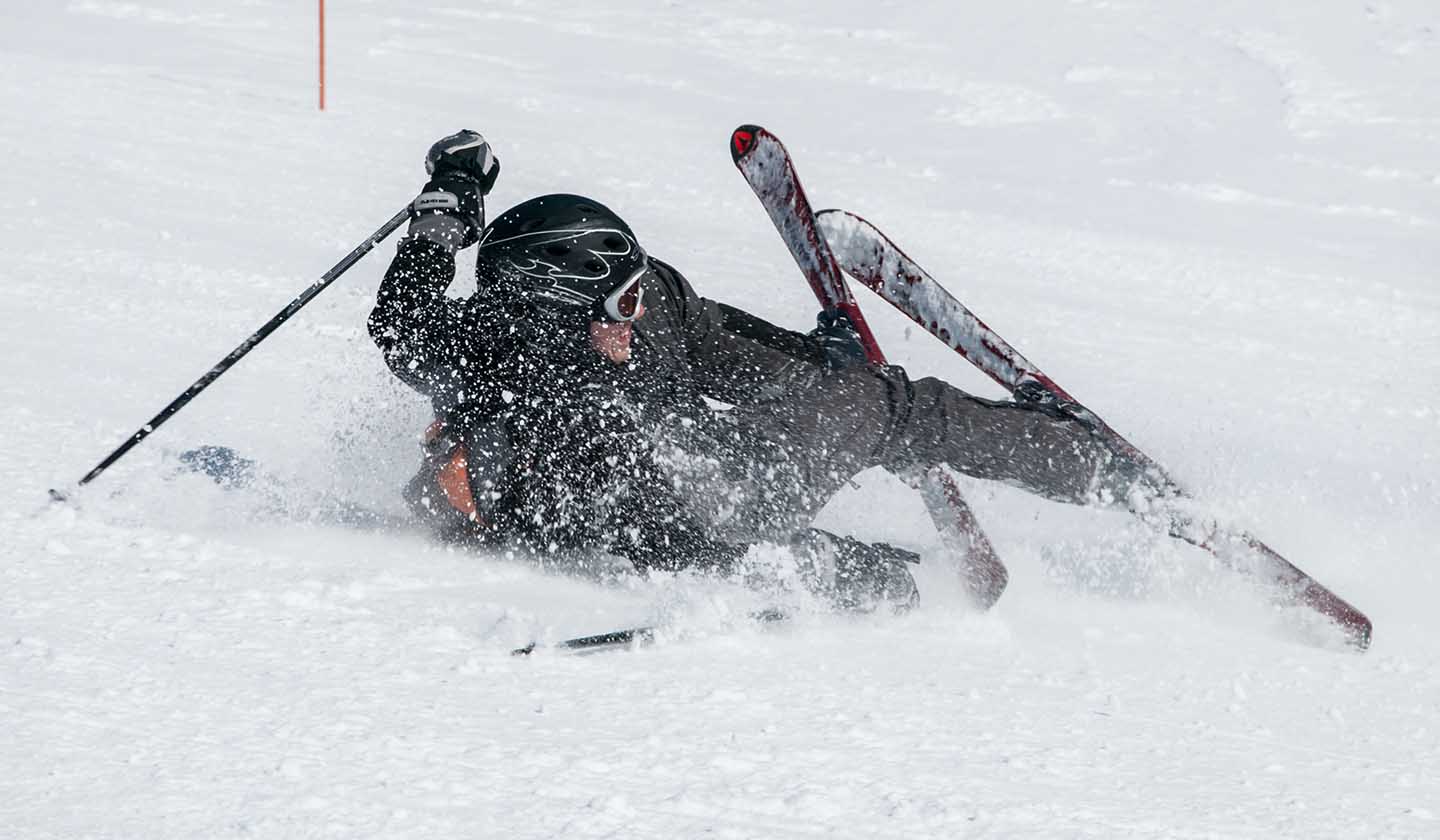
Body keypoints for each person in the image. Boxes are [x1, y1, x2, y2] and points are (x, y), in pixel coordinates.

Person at [368, 131, 1155, 611]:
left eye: (639, 290)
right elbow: (400, 320)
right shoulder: (506, 351)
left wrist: (818, 356)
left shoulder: (660, 310)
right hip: (697, 518)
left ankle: (1047, 500)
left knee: (866, 443)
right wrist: (447, 204)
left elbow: (724, 349)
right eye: (620, 300)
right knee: (880, 410)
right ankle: (1095, 475)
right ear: (553, 303)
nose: (635, 314)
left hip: (726, 492)